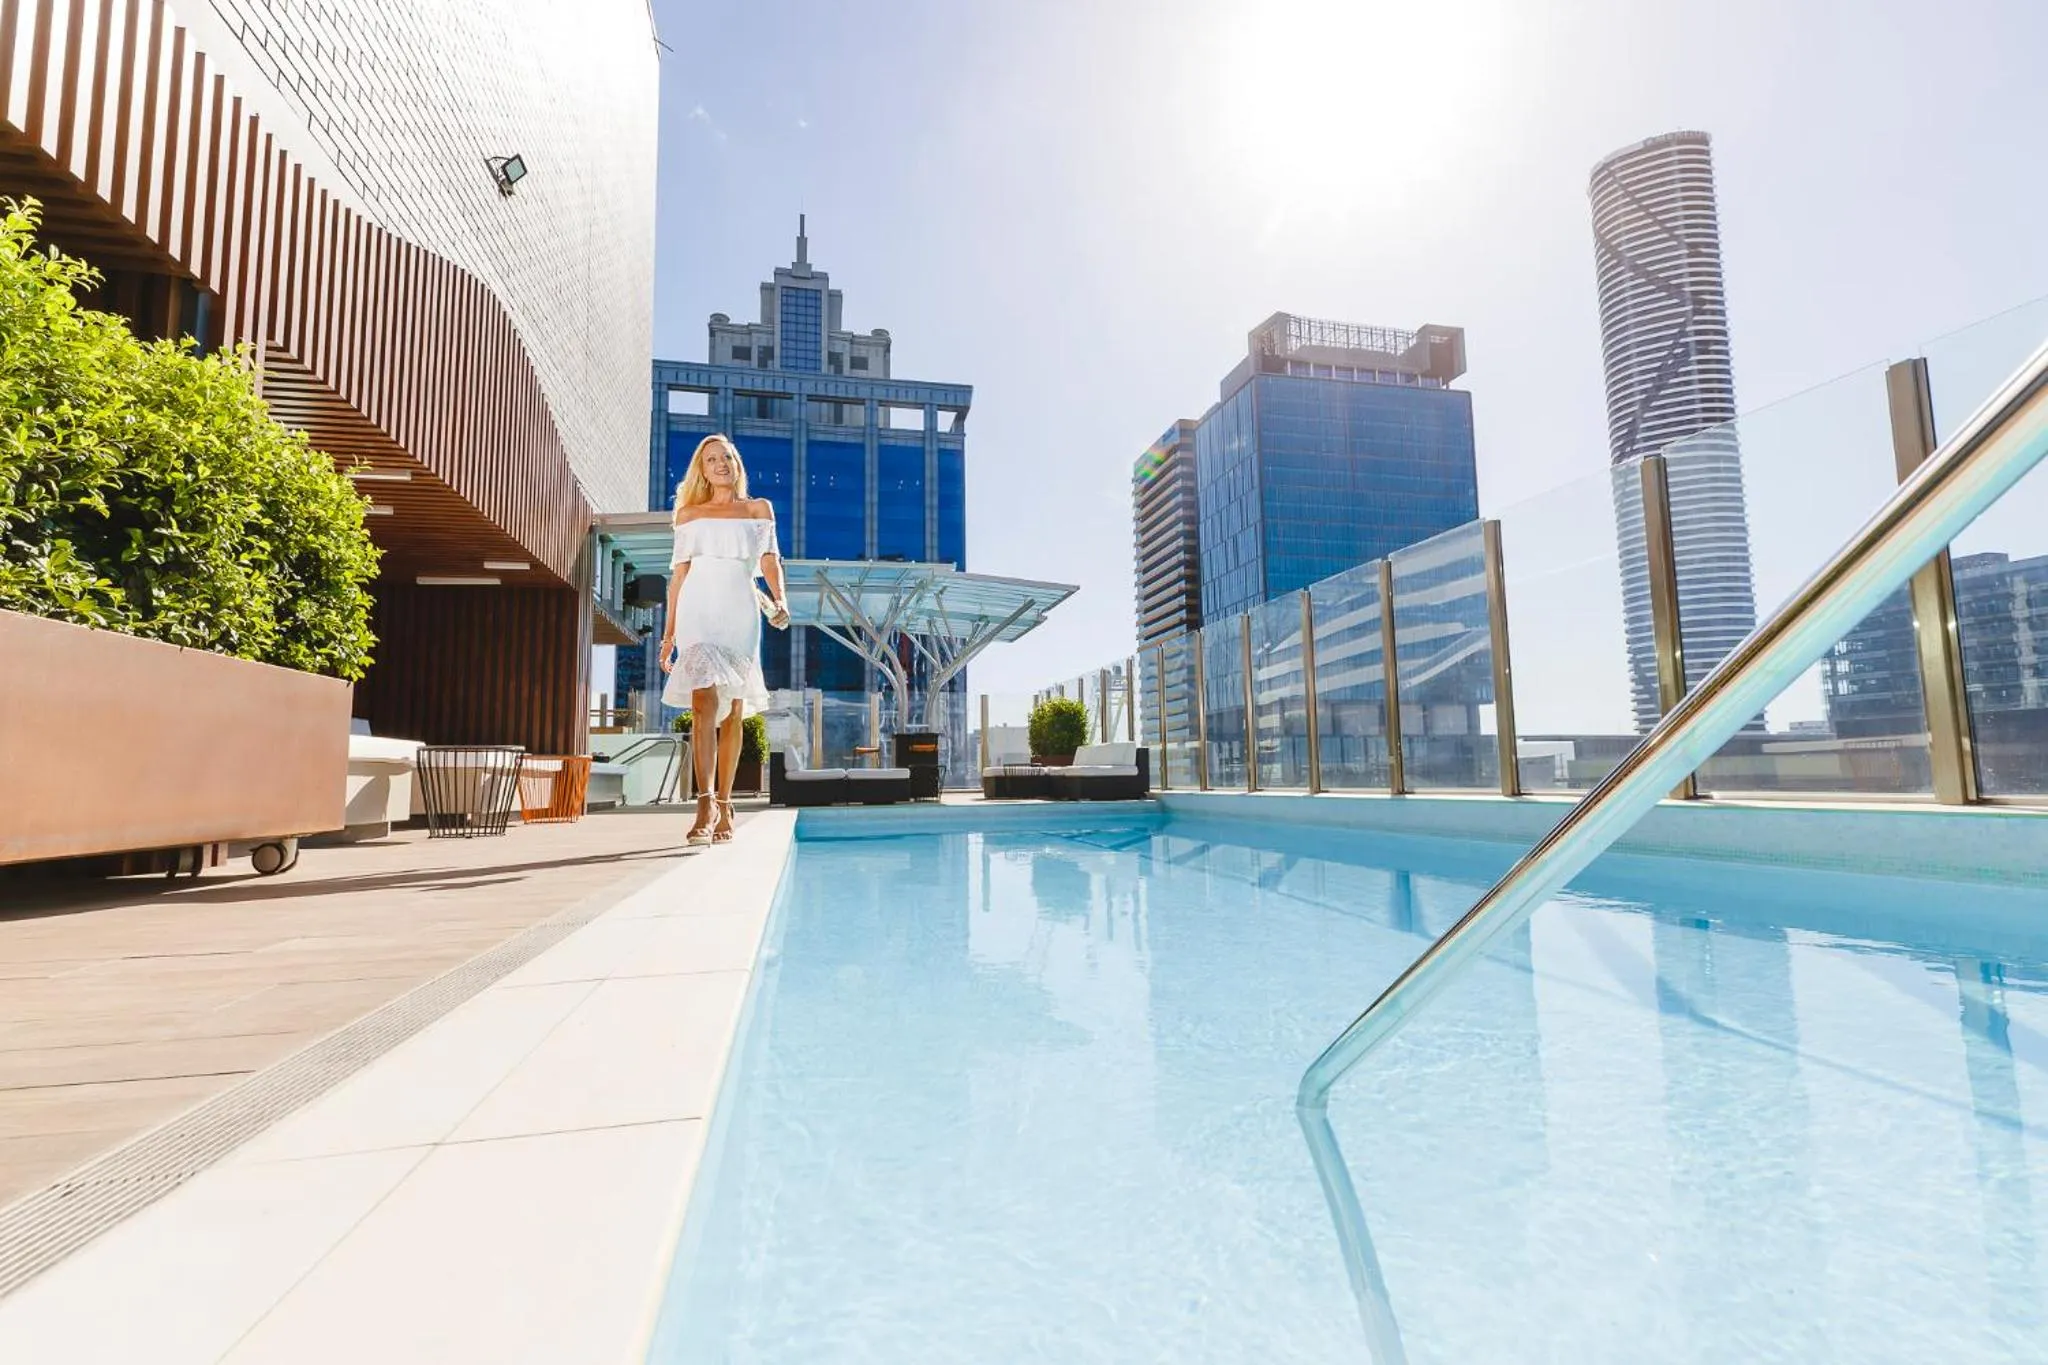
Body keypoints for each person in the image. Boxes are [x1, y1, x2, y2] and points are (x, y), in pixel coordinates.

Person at [659, 434, 789, 845]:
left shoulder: (758, 509)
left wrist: (781, 598)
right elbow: (678, 576)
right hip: (698, 609)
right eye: (711, 458)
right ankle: (704, 801)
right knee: (702, 702)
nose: (720, 463)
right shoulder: (689, 515)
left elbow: (769, 560)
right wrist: (669, 636)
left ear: (736, 463)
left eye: (726, 457)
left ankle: (727, 802)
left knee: (733, 709)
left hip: (739, 611)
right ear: (702, 468)